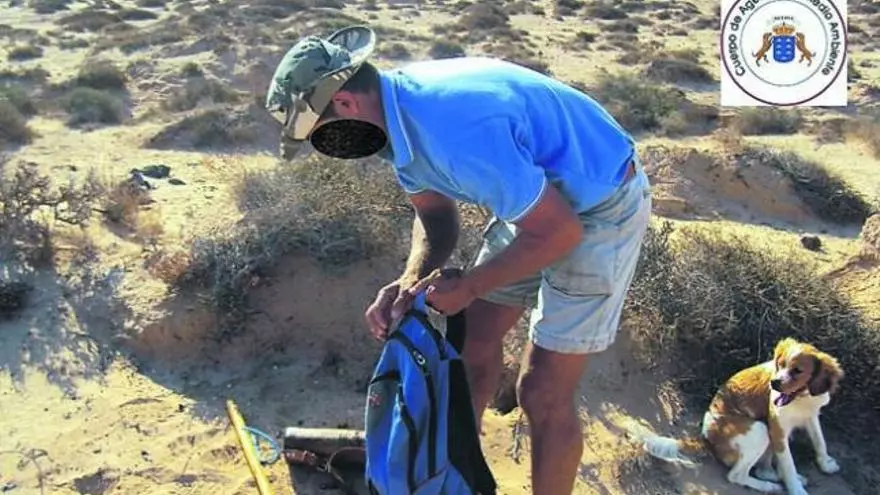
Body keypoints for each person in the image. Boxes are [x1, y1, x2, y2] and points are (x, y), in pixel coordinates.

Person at [265, 25, 652, 495]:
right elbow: (435, 218)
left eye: (320, 135)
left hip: (601, 203)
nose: (330, 148)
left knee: (541, 391)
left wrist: (469, 286)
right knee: (471, 348)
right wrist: (409, 280)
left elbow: (561, 232)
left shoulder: (451, 128)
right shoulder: (395, 123)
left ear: (345, 104)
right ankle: (453, 482)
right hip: (534, 200)